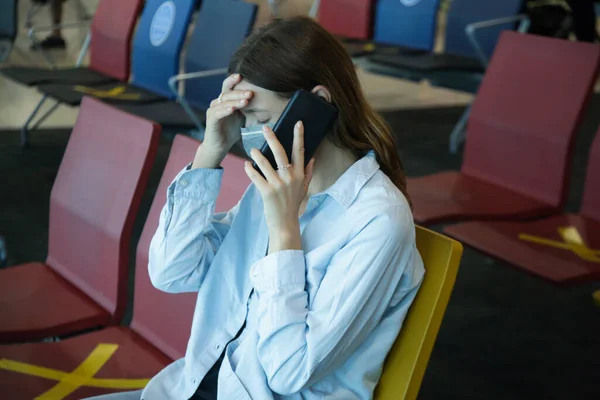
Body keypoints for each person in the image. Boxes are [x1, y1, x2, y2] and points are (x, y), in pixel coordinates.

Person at [87, 16, 424, 400]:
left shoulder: (378, 221)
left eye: (259, 119)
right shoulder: (275, 184)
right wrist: (209, 153)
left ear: (317, 104)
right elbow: (171, 272)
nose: (248, 137)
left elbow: (288, 372)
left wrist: (285, 233)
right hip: (193, 387)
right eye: (242, 120)